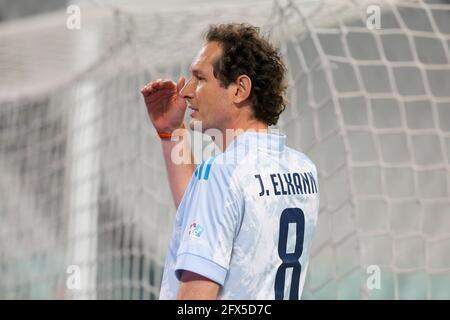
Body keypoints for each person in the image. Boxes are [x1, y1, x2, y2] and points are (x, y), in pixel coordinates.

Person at [141, 23, 319, 300]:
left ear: (239, 89)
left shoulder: (222, 173)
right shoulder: (303, 168)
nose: (186, 91)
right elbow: (209, 217)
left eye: (200, 79)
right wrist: (171, 132)